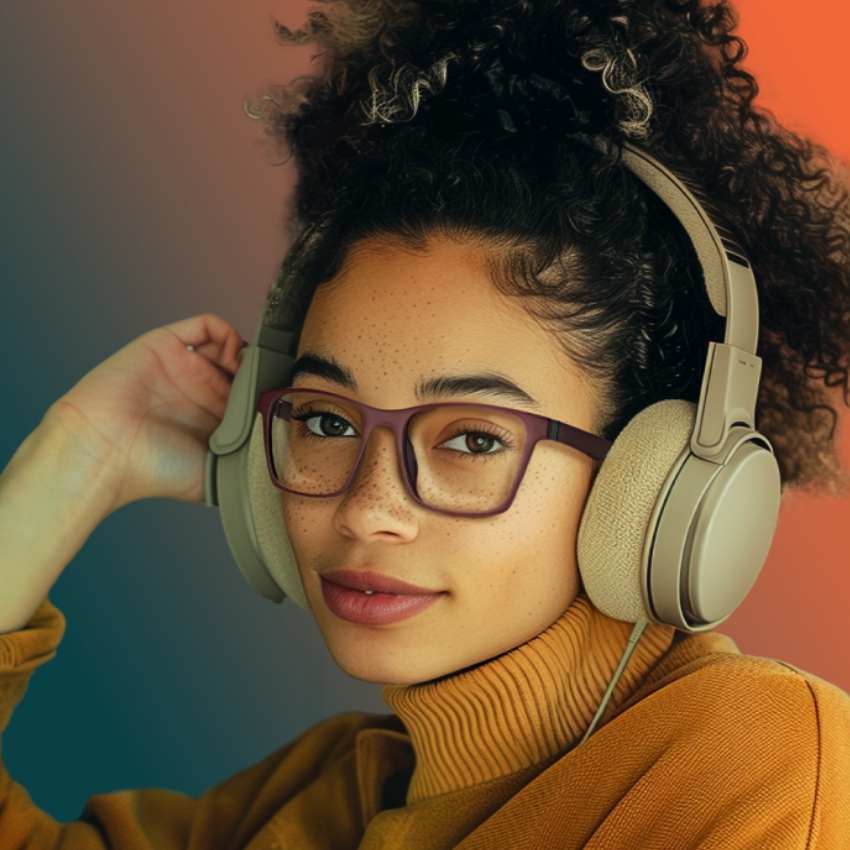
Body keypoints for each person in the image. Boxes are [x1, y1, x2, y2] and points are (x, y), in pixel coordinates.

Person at [1, 0, 850, 847]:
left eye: (474, 438)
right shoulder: (329, 792)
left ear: (651, 483)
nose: (367, 509)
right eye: (326, 421)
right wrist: (77, 458)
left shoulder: (763, 764)